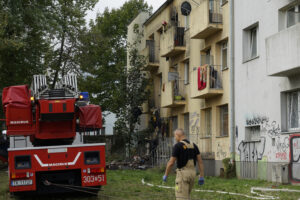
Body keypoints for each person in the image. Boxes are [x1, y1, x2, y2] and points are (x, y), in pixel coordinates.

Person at [163, 128, 204, 200]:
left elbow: (171, 162)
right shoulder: (194, 145)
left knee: (181, 197)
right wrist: (201, 176)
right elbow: (200, 162)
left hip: (182, 175)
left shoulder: (177, 146)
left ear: (178, 135)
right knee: (186, 196)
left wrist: (166, 175)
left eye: (174, 136)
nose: (175, 138)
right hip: (192, 174)